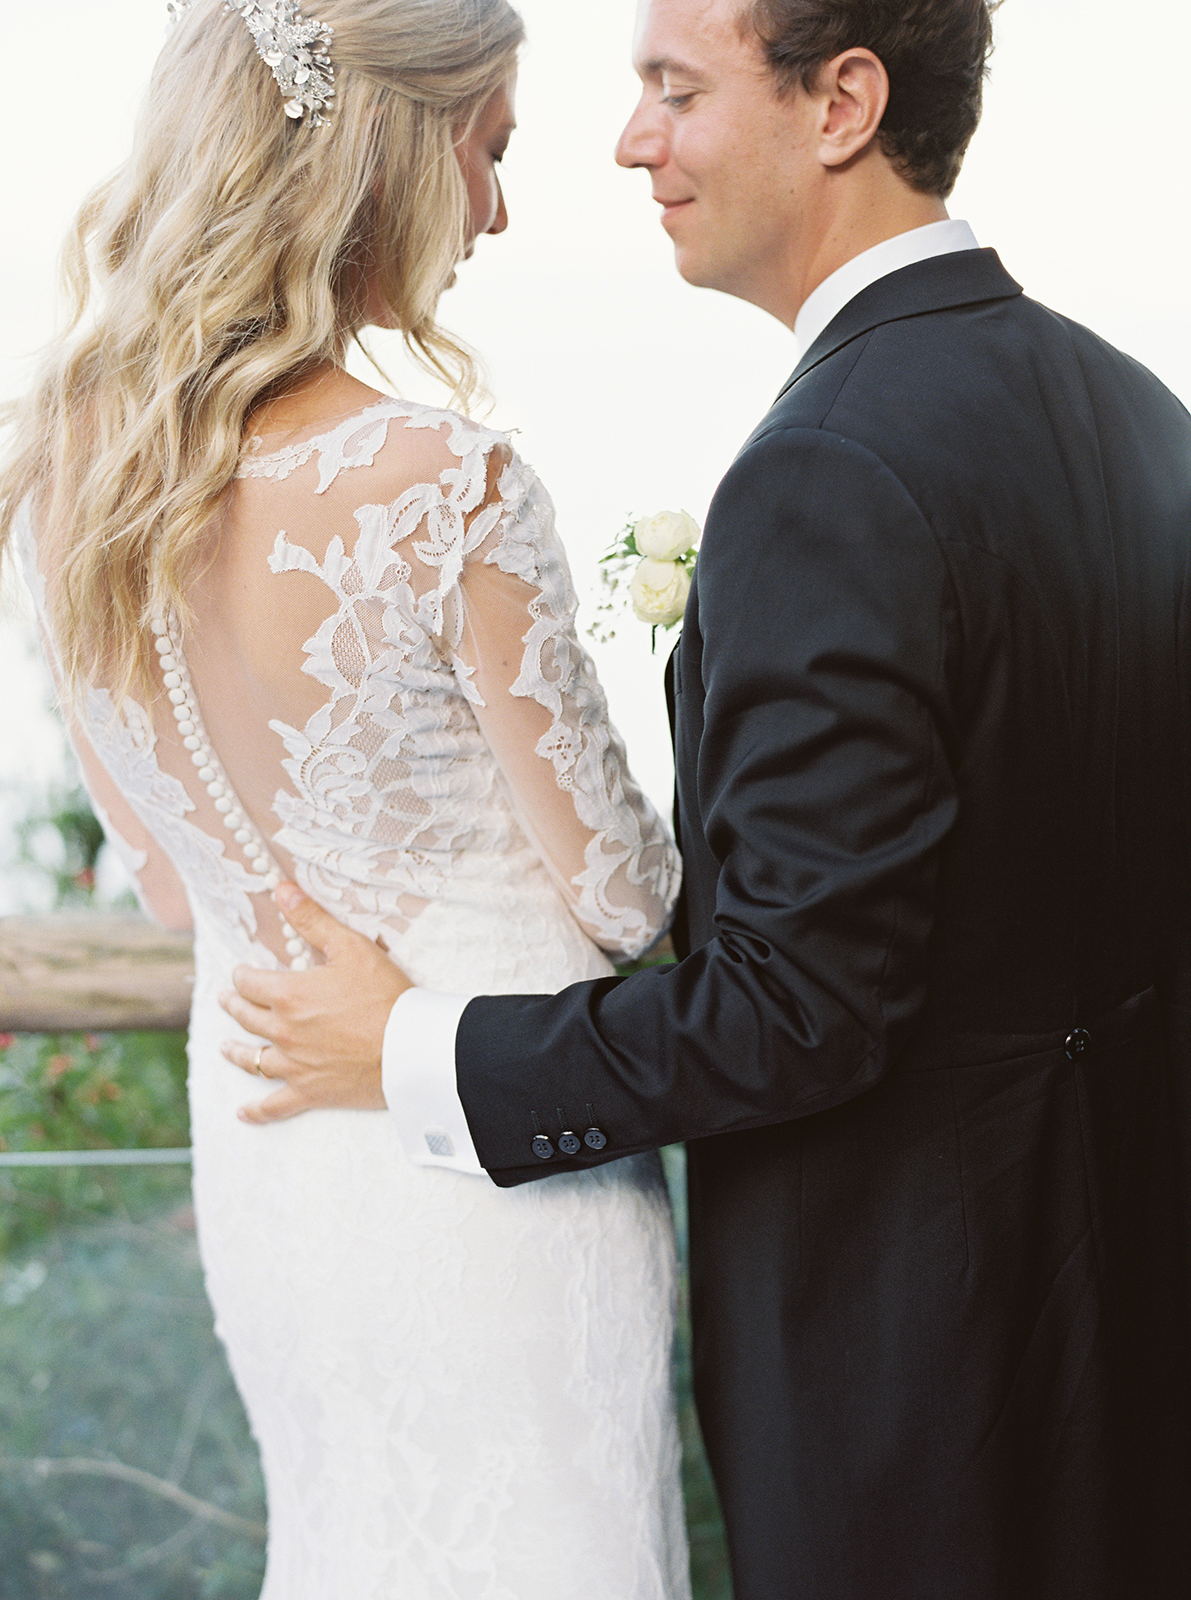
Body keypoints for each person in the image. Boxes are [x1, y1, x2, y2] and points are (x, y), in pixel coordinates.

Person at [220, 0, 1191, 1594]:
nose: (629, 142)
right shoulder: (1142, 415)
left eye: (674, 91)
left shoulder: (831, 470)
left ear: (842, 104)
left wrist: (406, 1045)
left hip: (915, 1386)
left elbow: (798, 1006)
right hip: (1134, 1343)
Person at [0, 1, 695, 1594]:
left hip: (276, 1157)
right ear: (389, 150)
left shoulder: (66, 485)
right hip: (488, 1177)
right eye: (491, 152)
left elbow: (173, 888)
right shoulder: (447, 486)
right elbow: (628, 901)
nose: (501, 212)